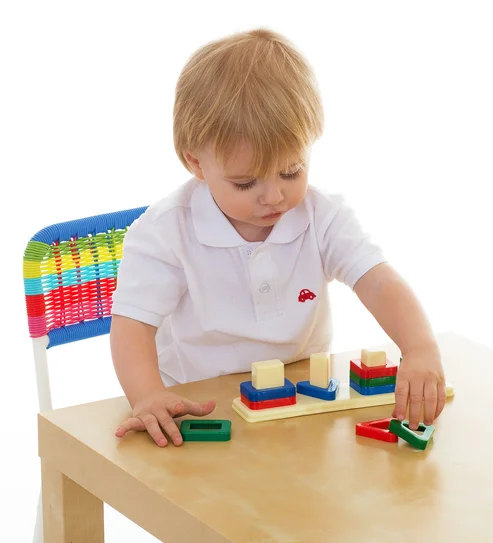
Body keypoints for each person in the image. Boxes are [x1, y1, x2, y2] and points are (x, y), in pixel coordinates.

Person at [110, 28, 446, 447]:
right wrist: (148, 396)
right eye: (245, 182)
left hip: (301, 404)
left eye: (292, 172)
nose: (274, 196)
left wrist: (419, 347)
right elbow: (131, 326)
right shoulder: (164, 232)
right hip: (203, 407)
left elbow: (377, 280)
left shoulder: (322, 215)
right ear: (195, 161)